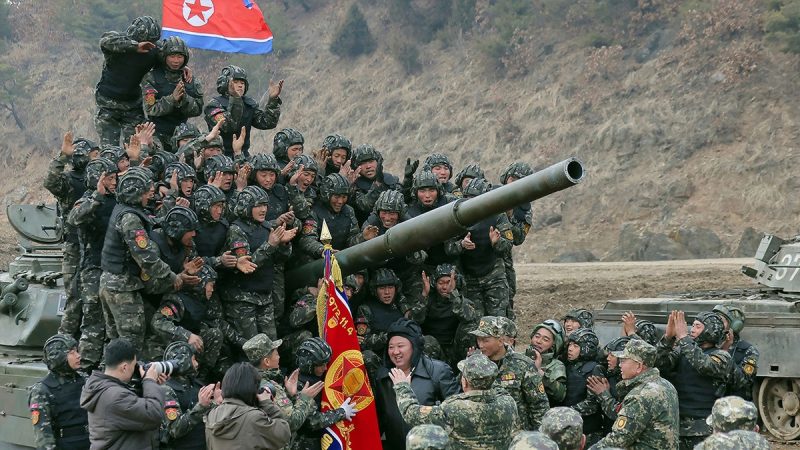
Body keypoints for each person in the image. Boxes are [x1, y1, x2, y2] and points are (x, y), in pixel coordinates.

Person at [100, 167, 195, 355]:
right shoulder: (130, 218)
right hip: (123, 287)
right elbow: (146, 257)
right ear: (135, 194)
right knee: (131, 342)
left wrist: (171, 201)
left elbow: (154, 222)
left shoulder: (126, 210)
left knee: (115, 342)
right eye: (145, 191)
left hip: (113, 284)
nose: (149, 194)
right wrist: (171, 276)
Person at [389, 352, 518, 450]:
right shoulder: (508, 403)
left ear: (464, 382)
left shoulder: (454, 408)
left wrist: (402, 386)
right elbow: (496, 388)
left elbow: (411, 413)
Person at [375, 318, 459, 450]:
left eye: (400, 346)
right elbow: (379, 419)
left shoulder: (437, 371)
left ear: (414, 346)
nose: (395, 352)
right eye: (391, 347)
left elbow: (457, 413)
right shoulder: (383, 377)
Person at [224, 185, 295, 340]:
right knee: (252, 348)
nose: (263, 210)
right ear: (247, 207)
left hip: (265, 297)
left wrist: (283, 244)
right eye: (258, 206)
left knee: (271, 345)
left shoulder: (267, 227)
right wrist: (270, 244)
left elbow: (281, 259)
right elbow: (248, 266)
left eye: (265, 205)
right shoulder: (236, 229)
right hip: (243, 300)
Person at [45, 133, 98, 338]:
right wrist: (62, 157)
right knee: (75, 296)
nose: (97, 157)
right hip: (75, 245)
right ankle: (66, 341)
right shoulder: (69, 180)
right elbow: (51, 182)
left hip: (96, 245)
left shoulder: (100, 179)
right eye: (94, 154)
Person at [68, 157, 118, 370]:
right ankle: (86, 366)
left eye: (115, 178)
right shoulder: (87, 200)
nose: (114, 182)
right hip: (93, 270)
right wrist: (97, 195)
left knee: (113, 324)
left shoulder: (117, 200)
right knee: (93, 321)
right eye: (109, 178)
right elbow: (74, 218)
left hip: (114, 269)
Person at [656, 311, 732, 449]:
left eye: (697, 326)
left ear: (709, 331)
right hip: (677, 426)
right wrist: (668, 338)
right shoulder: (683, 351)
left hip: (704, 429)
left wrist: (684, 338)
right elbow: (660, 365)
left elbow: (704, 366)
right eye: (692, 326)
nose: (692, 330)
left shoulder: (722, 356)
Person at [589, 339, 680, 450]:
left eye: (624, 361)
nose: (620, 365)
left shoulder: (640, 395)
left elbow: (617, 440)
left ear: (639, 366)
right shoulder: (666, 385)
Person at [80, 337, 167, 449]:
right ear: (124, 367)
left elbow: (135, 409)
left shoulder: (103, 388)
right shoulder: (115, 396)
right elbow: (153, 414)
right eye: (134, 365)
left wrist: (153, 385)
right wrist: (149, 381)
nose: (135, 369)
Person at [445, 178, 513, 318]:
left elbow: (507, 246)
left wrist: (497, 242)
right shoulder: (457, 218)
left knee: (498, 320)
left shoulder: (498, 215)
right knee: (475, 320)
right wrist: (461, 245)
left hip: (494, 276)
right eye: (469, 199)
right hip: (470, 279)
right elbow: (448, 249)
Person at [470, 316, 550, 430]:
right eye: (478, 340)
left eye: (485, 340)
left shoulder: (522, 365)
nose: (480, 345)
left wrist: (538, 436)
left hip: (516, 434)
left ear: (500, 341)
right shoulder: (474, 364)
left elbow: (539, 405)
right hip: (484, 433)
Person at [242, 333, 322, 440]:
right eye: (276, 354)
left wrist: (289, 394)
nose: (279, 357)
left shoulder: (247, 380)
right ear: (267, 361)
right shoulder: (268, 387)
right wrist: (305, 398)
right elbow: (291, 423)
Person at [95, 16, 160, 146]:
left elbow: (170, 55)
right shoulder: (118, 44)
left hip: (132, 106)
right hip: (107, 103)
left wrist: (183, 66)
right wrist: (134, 46)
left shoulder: (153, 51)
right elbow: (105, 41)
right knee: (109, 149)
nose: (148, 45)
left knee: (134, 147)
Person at [205, 362, 291, 450]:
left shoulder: (211, 415)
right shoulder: (253, 418)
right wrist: (266, 403)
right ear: (252, 388)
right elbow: (284, 433)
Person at [408, 264, 481, 367]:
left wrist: (453, 294)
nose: (445, 287)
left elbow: (469, 317)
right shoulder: (428, 301)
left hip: (456, 349)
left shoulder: (461, 301)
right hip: (433, 350)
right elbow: (414, 320)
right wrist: (424, 295)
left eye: (449, 282)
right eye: (441, 283)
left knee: (470, 325)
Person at [204, 65, 283, 158]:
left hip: (243, 156)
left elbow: (267, 123)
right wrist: (236, 99)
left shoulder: (248, 104)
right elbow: (227, 126)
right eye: (235, 82)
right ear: (226, 83)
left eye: (242, 83)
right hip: (219, 156)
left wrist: (273, 100)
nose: (240, 85)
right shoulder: (214, 105)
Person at [293, 338, 357, 450]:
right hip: (306, 443)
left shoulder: (317, 376)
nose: (325, 368)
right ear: (309, 365)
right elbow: (312, 422)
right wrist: (341, 412)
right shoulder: (298, 385)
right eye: (321, 365)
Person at [141, 36, 203, 151]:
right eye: (172, 56)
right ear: (165, 56)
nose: (176, 61)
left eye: (179, 57)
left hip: (182, 136)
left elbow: (198, 109)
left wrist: (184, 99)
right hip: (156, 134)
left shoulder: (190, 79)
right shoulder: (151, 78)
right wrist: (172, 99)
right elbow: (151, 109)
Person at [29, 335, 89, 450]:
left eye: (77, 351)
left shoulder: (84, 379)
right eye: (72, 353)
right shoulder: (42, 390)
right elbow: (43, 436)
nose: (78, 356)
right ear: (58, 356)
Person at [160, 341, 215, 450]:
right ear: (184, 361)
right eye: (193, 359)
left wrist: (215, 403)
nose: (197, 364)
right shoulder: (167, 390)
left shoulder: (197, 385)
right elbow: (175, 429)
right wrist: (201, 406)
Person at [297, 173, 360, 262]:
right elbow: (306, 239)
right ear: (326, 195)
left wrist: (363, 237)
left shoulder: (349, 211)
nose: (340, 201)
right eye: (336, 196)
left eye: (344, 197)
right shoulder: (313, 212)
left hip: (341, 259)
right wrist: (322, 250)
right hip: (317, 261)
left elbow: (351, 241)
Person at [498, 162, 534, 303]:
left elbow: (519, 239)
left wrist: (510, 217)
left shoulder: (525, 210)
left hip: (503, 257)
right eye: (513, 179)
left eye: (521, 181)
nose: (515, 184)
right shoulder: (492, 195)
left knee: (507, 297)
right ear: (506, 178)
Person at [563, 328, 605, 444]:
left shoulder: (595, 369)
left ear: (586, 349)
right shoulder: (569, 366)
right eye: (570, 344)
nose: (570, 348)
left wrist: (566, 412)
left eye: (575, 346)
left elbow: (593, 403)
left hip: (587, 431)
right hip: (570, 426)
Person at [712, 304, 759, 400]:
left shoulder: (748, 351)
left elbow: (742, 381)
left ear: (733, 326)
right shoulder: (708, 344)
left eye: (721, 320)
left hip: (735, 403)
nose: (716, 324)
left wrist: (724, 354)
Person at [356, 268, 407, 353]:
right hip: (380, 355)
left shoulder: (400, 303)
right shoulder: (365, 309)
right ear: (375, 290)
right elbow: (363, 341)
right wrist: (389, 336)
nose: (387, 292)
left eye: (390, 287)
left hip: (404, 351)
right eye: (382, 288)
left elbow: (415, 321)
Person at [348, 144, 402, 224]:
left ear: (378, 162)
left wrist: (408, 180)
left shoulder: (391, 179)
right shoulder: (355, 187)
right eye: (363, 163)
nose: (368, 166)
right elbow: (365, 205)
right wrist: (378, 184)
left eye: (371, 161)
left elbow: (404, 199)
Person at [525, 320, 567, 404]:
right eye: (537, 336)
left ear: (554, 344)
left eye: (545, 339)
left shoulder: (556, 366)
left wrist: (539, 372)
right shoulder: (519, 358)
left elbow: (560, 395)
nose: (538, 341)